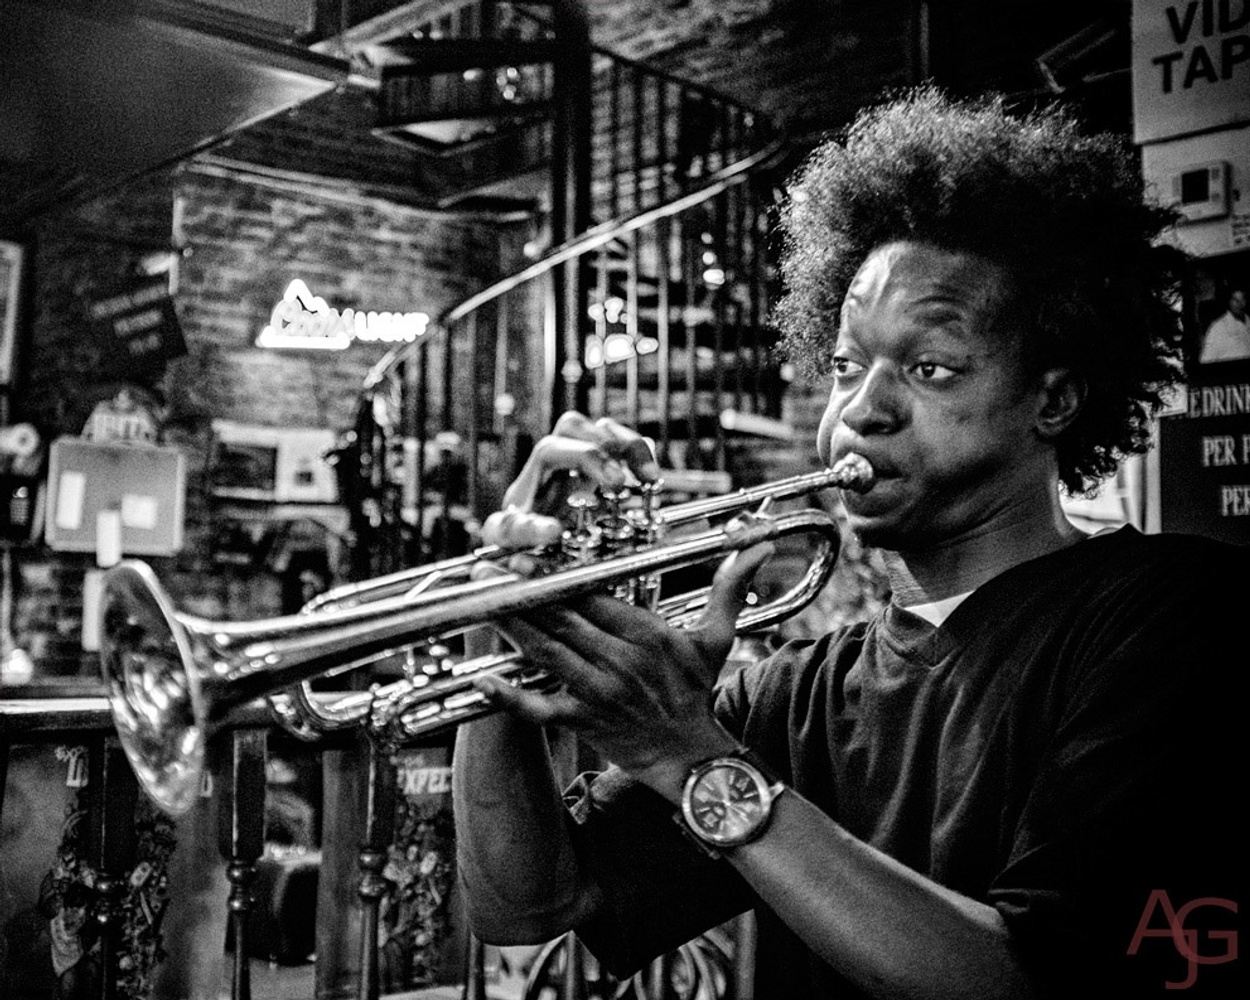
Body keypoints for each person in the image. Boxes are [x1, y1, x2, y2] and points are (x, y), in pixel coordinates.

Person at [452, 88, 1245, 998]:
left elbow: (1025, 981)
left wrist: (689, 755)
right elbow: (528, 906)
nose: (861, 409)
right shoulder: (799, 692)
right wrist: (499, 634)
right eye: (844, 364)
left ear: (1055, 401)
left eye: (929, 367)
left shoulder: (1182, 614)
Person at [1199, 286, 1249, 363]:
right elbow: (1206, 360)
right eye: (1235, 300)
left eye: (1243, 299)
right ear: (1229, 301)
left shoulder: (1248, 322)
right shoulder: (1217, 328)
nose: (1239, 304)